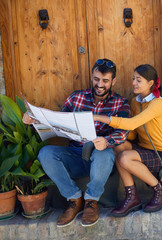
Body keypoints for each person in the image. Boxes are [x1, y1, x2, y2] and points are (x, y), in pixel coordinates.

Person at [22, 58, 130, 227]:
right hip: (75, 156)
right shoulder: (76, 97)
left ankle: (91, 202)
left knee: (105, 151)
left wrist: (107, 140)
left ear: (113, 81)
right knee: (46, 153)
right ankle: (74, 198)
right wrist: (34, 120)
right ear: (91, 76)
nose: (100, 84)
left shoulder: (121, 103)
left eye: (105, 81)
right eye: (96, 79)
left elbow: (124, 132)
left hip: (101, 160)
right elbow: (56, 123)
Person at [93, 64, 162, 216]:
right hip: (142, 149)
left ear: (150, 83)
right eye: (133, 79)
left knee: (124, 158)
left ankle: (160, 191)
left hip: (160, 154)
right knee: (118, 144)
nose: (134, 83)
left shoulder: (158, 103)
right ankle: (132, 198)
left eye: (139, 80)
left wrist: (99, 117)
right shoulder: (135, 102)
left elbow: (132, 123)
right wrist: (117, 132)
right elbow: (133, 133)